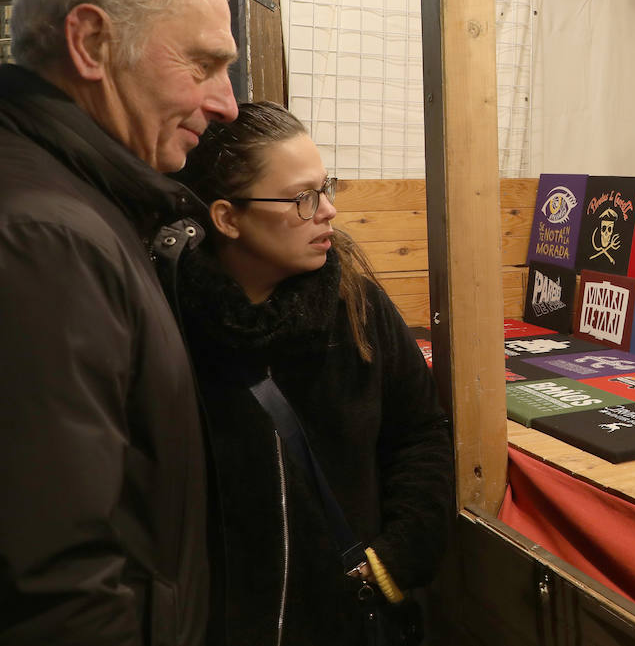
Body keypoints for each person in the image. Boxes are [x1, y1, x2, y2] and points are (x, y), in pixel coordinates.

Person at [0, 0, 238, 645]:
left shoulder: (83, 206)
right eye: (201, 65)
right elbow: (56, 593)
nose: (227, 103)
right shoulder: (47, 239)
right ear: (94, 42)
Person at [174, 102, 453, 646]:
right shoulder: (171, 320)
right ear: (228, 217)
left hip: (350, 615)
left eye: (326, 188)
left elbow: (421, 431)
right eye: (302, 198)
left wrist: (392, 562)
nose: (327, 210)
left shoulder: (355, 303)